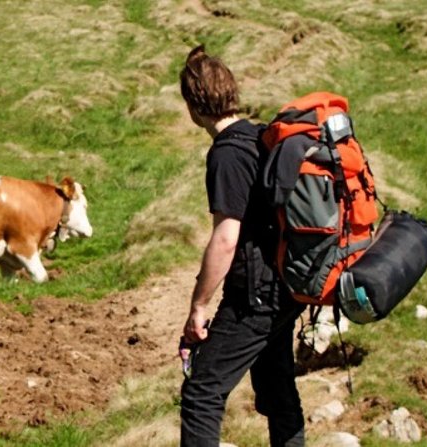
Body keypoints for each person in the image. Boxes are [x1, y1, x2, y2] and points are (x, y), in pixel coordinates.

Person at [177, 45, 306, 446]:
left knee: (202, 392)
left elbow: (226, 237)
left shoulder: (227, 155)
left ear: (193, 106)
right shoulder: (260, 136)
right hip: (287, 285)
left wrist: (198, 307)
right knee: (276, 386)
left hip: (255, 297)